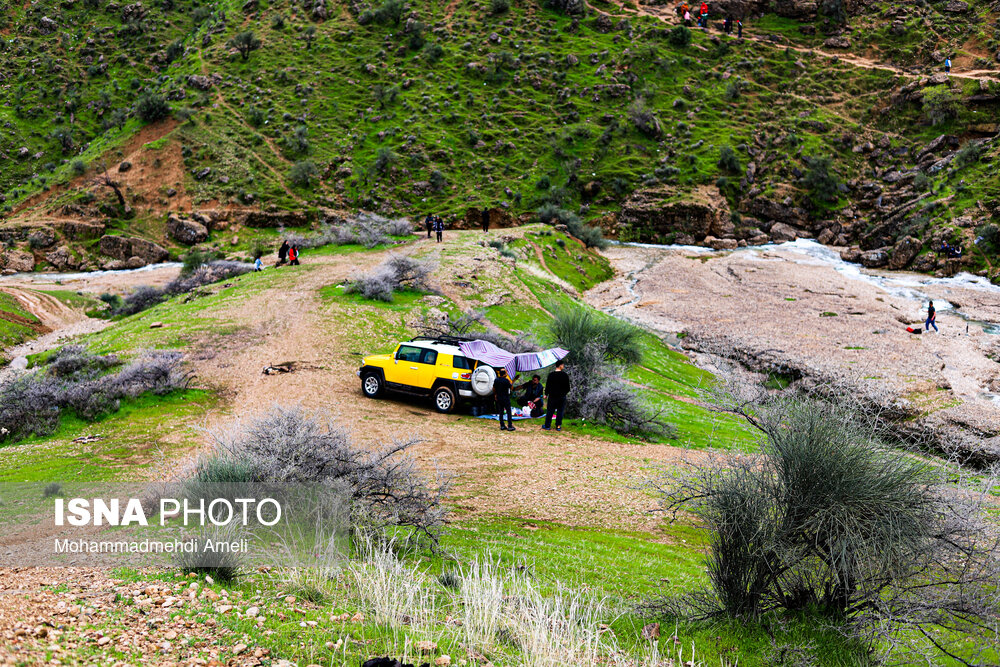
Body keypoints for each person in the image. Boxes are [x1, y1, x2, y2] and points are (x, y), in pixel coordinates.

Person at [542, 361, 570, 432]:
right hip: (561, 396)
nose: (563, 366)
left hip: (552, 396)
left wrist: (546, 394)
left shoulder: (551, 375)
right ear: (560, 365)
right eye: (563, 365)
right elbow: (567, 387)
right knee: (560, 411)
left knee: (550, 411)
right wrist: (564, 393)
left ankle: (547, 425)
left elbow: (548, 385)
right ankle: (558, 426)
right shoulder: (564, 375)